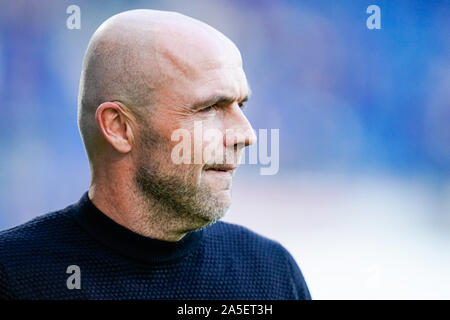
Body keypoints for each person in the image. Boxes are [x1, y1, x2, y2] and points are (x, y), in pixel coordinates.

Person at [0, 9, 310, 300]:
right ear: (119, 127)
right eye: (211, 108)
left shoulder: (270, 274)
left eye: (240, 106)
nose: (247, 135)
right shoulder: (15, 277)